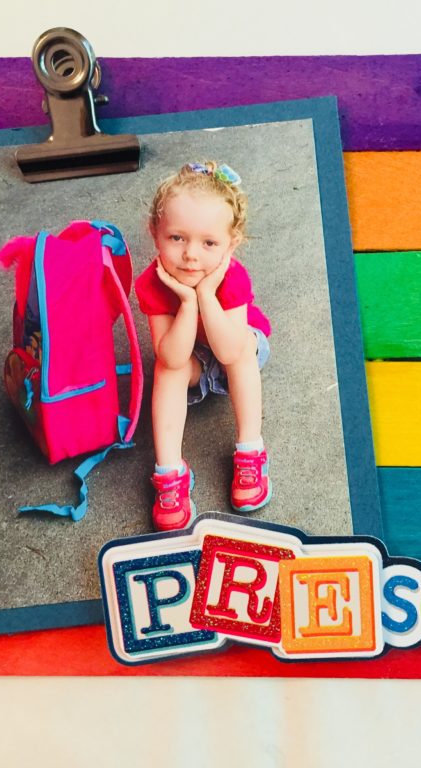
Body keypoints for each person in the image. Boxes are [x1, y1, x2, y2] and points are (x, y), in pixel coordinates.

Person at [134, 161, 272, 531]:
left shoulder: (231, 277)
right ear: (155, 233)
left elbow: (228, 352)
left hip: (235, 346)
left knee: (242, 350)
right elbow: (171, 355)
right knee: (167, 369)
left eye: (209, 243)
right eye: (176, 238)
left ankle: (250, 449)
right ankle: (169, 472)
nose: (191, 255)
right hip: (191, 355)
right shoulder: (152, 282)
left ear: (232, 244)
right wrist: (187, 301)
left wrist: (206, 295)